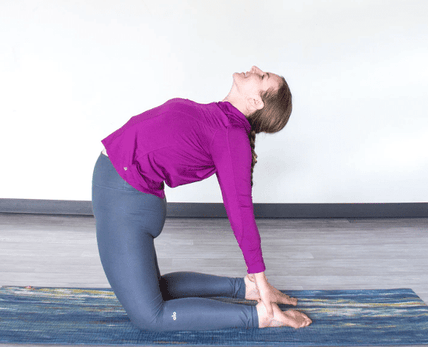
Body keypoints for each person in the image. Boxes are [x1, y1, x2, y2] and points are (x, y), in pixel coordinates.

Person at [92, 65, 312, 331]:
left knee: (150, 317)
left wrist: (260, 274)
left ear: (256, 101)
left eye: (263, 76)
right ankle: (245, 288)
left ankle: (260, 317)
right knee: (153, 288)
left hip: (125, 198)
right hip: (124, 192)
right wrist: (255, 281)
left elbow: (240, 210)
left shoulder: (232, 137)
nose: (255, 69)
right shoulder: (221, 116)